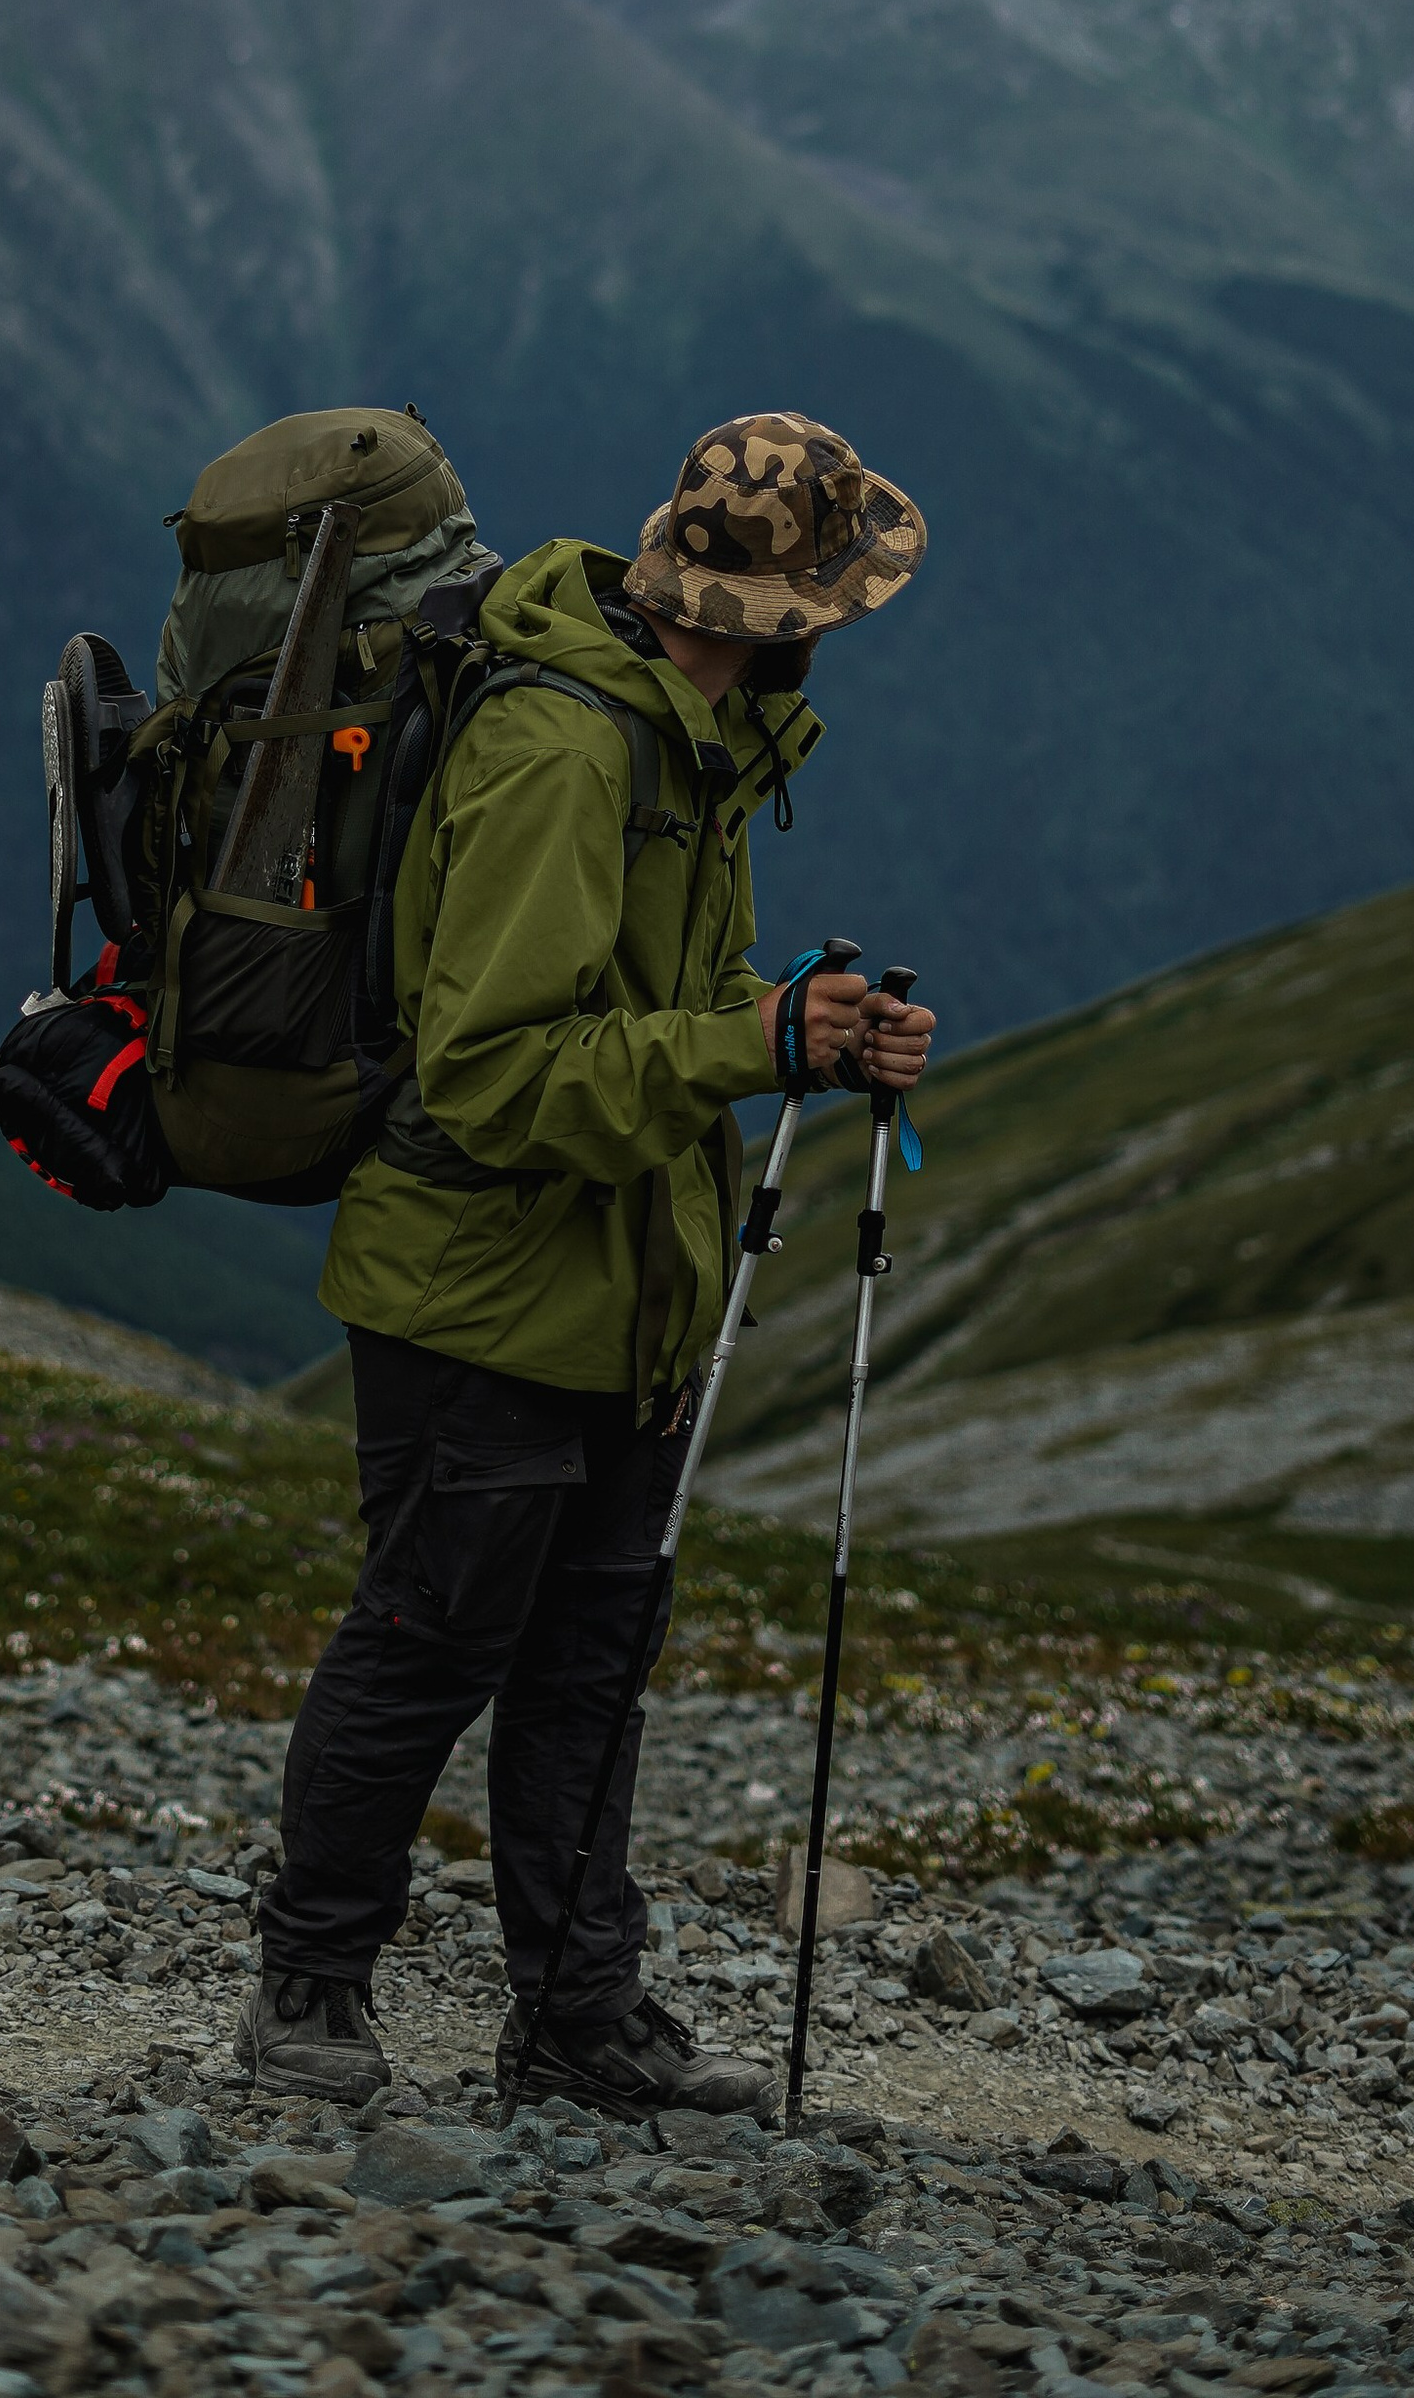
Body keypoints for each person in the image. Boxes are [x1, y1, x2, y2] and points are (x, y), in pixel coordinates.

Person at [236, 413, 937, 2119]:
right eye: (835, 602)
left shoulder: (695, 741)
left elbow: (664, 1005)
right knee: (429, 1640)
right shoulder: (566, 751)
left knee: (592, 1661)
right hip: (478, 1293)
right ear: (777, 613)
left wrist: (806, 1027)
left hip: (628, 1290)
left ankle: (579, 2017)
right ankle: (307, 1988)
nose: (842, 631)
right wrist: (750, 1044)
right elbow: (490, 1071)